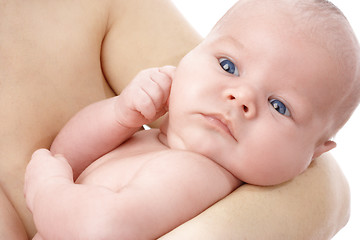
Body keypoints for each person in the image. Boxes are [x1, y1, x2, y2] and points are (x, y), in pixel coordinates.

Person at [0, 0, 351, 239]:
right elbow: (66, 156)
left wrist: (47, 190)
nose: (241, 97)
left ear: (315, 154)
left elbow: (99, 230)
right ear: (189, 54)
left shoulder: (194, 174)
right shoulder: (157, 144)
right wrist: (119, 115)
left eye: (279, 105)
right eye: (228, 66)